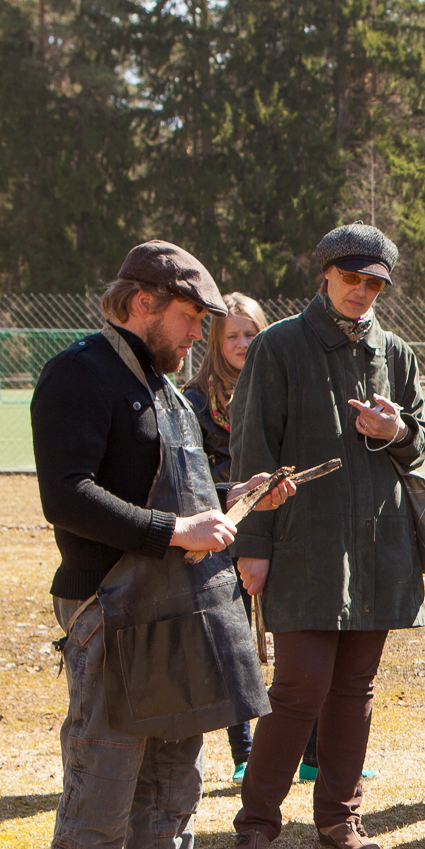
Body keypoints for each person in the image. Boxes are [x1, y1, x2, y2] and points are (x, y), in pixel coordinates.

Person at [33, 241, 289, 849]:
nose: (197, 335)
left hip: (184, 617)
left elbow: (182, 492)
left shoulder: (166, 387)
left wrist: (234, 496)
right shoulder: (79, 375)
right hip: (111, 614)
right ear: (141, 302)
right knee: (102, 793)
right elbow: (67, 495)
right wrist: (174, 528)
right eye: (188, 318)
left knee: (174, 788)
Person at [229, 222, 425, 849]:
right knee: (298, 688)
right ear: (325, 275)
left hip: (377, 545)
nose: (363, 291)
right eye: (352, 277)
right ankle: (256, 824)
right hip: (302, 544)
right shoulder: (278, 347)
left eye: (375, 282)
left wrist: (397, 429)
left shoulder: (396, 353)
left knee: (355, 688)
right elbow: (253, 449)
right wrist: (253, 542)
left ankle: (340, 817)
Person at [183, 291, 270, 781]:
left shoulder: (278, 387)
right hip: (221, 533)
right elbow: (192, 480)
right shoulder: (193, 402)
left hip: (277, 529)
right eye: (231, 335)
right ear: (215, 341)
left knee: (302, 644)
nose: (241, 343)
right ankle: (245, 755)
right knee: (233, 646)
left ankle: (313, 753)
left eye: (250, 333)